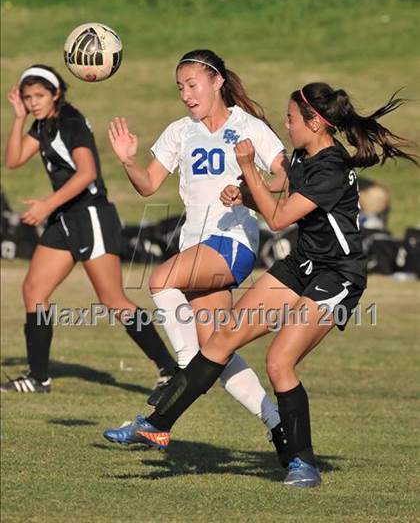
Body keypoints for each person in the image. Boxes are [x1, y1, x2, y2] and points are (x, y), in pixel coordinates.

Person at [104, 82, 417, 487]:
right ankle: (156, 425)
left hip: (337, 275)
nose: (286, 126)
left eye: (291, 118)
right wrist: (245, 196)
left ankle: (303, 464)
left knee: (279, 362)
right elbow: (278, 203)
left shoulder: (331, 167)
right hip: (301, 265)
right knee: (222, 339)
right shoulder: (306, 157)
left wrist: (249, 169)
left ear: (317, 123)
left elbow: (279, 219)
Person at [106, 49, 289, 442]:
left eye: (192, 85)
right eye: (180, 88)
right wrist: (127, 161)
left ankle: (182, 369)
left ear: (217, 81)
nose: (186, 94)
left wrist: (247, 188)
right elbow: (148, 185)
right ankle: (277, 424)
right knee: (218, 352)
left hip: (234, 242)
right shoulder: (179, 131)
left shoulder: (248, 126)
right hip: (197, 246)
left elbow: (284, 177)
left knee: (159, 280)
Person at [1, 65, 177, 393]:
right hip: (65, 219)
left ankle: (169, 370)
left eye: (39, 96)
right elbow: (12, 160)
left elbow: (87, 173)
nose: (33, 102)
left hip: (90, 216)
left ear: (56, 93)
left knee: (113, 299)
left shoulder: (71, 122)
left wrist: (46, 205)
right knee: (33, 291)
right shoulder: (42, 123)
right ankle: (38, 378)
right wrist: (18, 117)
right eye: (27, 98)